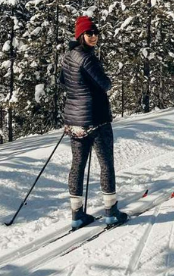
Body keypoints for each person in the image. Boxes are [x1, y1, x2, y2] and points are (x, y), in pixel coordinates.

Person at [60, 15, 128, 230]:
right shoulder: (88, 58)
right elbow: (105, 84)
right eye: (89, 33)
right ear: (80, 35)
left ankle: (77, 214)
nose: (94, 36)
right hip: (96, 119)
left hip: (74, 121)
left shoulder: (67, 56)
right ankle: (110, 211)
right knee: (106, 163)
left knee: (77, 165)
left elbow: (64, 81)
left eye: (96, 33)